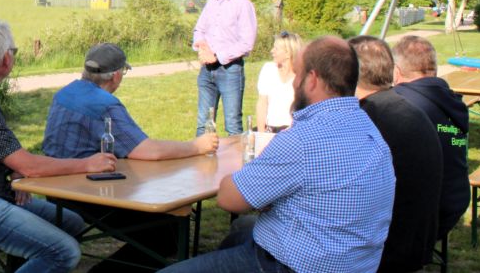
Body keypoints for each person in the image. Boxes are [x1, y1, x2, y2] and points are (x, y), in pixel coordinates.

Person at [162, 37, 396, 273]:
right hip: (354, 263)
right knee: (240, 231)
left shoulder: (303, 139)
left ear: (312, 80)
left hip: (292, 266)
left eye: (298, 75)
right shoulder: (371, 131)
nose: (294, 84)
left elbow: (228, 199)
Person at [0, 20, 117, 272]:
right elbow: (30, 166)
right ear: (6, 59)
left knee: (71, 223)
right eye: (13, 51)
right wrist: (89, 163)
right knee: (63, 252)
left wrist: (15, 169)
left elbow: (0, 148)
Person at [42, 43, 219, 272]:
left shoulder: (64, 93)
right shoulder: (104, 104)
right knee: (168, 232)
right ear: (116, 76)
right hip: (86, 195)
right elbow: (147, 151)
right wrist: (196, 146)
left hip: (53, 187)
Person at [349, 35, 444, 272]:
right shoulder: (406, 109)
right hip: (415, 243)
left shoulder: (368, 119)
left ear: (348, 75)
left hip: (382, 250)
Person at [392, 35, 470, 239]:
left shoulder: (399, 105)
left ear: (397, 72)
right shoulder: (452, 100)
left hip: (420, 213)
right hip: (455, 201)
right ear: (434, 70)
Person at [192, 0, 257, 136]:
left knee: (233, 125)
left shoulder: (242, 5)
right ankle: (201, 162)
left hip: (230, 71)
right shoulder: (211, 4)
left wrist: (218, 56)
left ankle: (235, 164)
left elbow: (247, 43)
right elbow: (199, 30)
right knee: (203, 124)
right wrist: (201, 46)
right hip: (206, 71)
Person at [255, 32, 302, 133]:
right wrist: (261, 132)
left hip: (291, 131)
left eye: (276, 49)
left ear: (288, 53)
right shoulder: (268, 69)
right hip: (269, 129)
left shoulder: (301, 76)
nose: (272, 51)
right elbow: (262, 103)